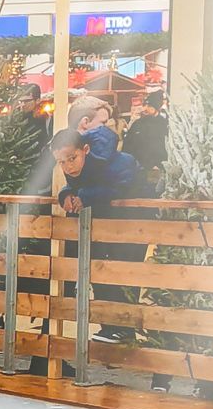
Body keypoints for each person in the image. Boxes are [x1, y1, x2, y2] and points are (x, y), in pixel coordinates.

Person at [52, 125, 146, 343]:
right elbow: (75, 185)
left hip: (133, 224)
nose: (68, 166)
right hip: (103, 224)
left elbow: (124, 186)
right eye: (61, 162)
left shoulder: (119, 161)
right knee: (99, 270)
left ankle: (124, 328)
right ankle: (110, 326)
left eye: (72, 159)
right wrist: (66, 194)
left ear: (85, 149)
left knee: (123, 272)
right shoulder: (77, 167)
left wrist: (86, 196)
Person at [121, 95, 168, 184]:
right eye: (144, 105)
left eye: (149, 106)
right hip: (139, 168)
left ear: (156, 108)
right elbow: (128, 144)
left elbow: (165, 146)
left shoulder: (164, 124)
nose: (145, 108)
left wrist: (158, 164)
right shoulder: (137, 123)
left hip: (158, 168)